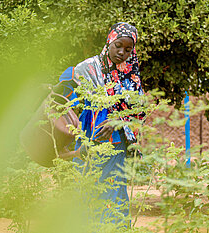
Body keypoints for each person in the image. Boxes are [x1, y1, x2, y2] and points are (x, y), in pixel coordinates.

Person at [57, 22, 144, 226]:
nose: (122, 52)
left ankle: (115, 229)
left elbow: (138, 111)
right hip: (87, 137)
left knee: (113, 189)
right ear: (109, 42)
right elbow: (64, 88)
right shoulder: (88, 68)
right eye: (118, 46)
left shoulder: (131, 76)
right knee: (84, 183)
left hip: (114, 143)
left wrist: (117, 120)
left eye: (128, 49)